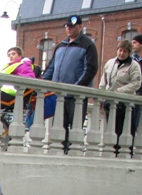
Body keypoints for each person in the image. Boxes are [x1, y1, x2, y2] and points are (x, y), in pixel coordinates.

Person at [42, 15, 98, 154]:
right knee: (59, 127)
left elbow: (90, 69)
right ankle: (61, 152)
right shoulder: (60, 45)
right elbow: (51, 68)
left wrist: (76, 88)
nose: (68, 28)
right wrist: (42, 83)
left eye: (72, 26)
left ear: (80, 27)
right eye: (67, 26)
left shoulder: (88, 45)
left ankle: (74, 153)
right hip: (58, 95)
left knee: (75, 127)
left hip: (75, 97)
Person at [98, 40, 141, 154]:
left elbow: (136, 84)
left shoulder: (134, 65)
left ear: (129, 53)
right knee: (111, 129)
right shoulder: (110, 63)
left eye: (125, 51)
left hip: (125, 103)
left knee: (124, 129)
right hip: (110, 101)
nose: (121, 53)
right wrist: (101, 97)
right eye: (120, 50)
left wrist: (119, 91)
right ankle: (111, 150)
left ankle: (123, 152)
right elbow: (103, 81)